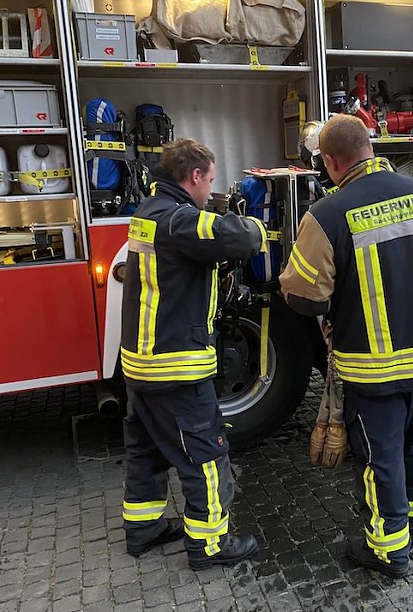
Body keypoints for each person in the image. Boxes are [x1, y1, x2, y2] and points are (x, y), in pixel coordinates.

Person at [279, 115, 413, 578]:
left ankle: (388, 549)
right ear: (370, 148)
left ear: (332, 162)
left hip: (373, 370)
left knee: (379, 459)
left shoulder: (328, 214)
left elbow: (304, 296)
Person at [119, 138, 266, 569]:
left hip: (141, 364)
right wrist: (255, 225)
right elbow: (237, 238)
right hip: (175, 367)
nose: (210, 191)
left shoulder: (147, 212)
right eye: (211, 182)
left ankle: (143, 529)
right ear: (195, 176)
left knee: (147, 449)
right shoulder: (177, 219)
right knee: (205, 454)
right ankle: (209, 545)